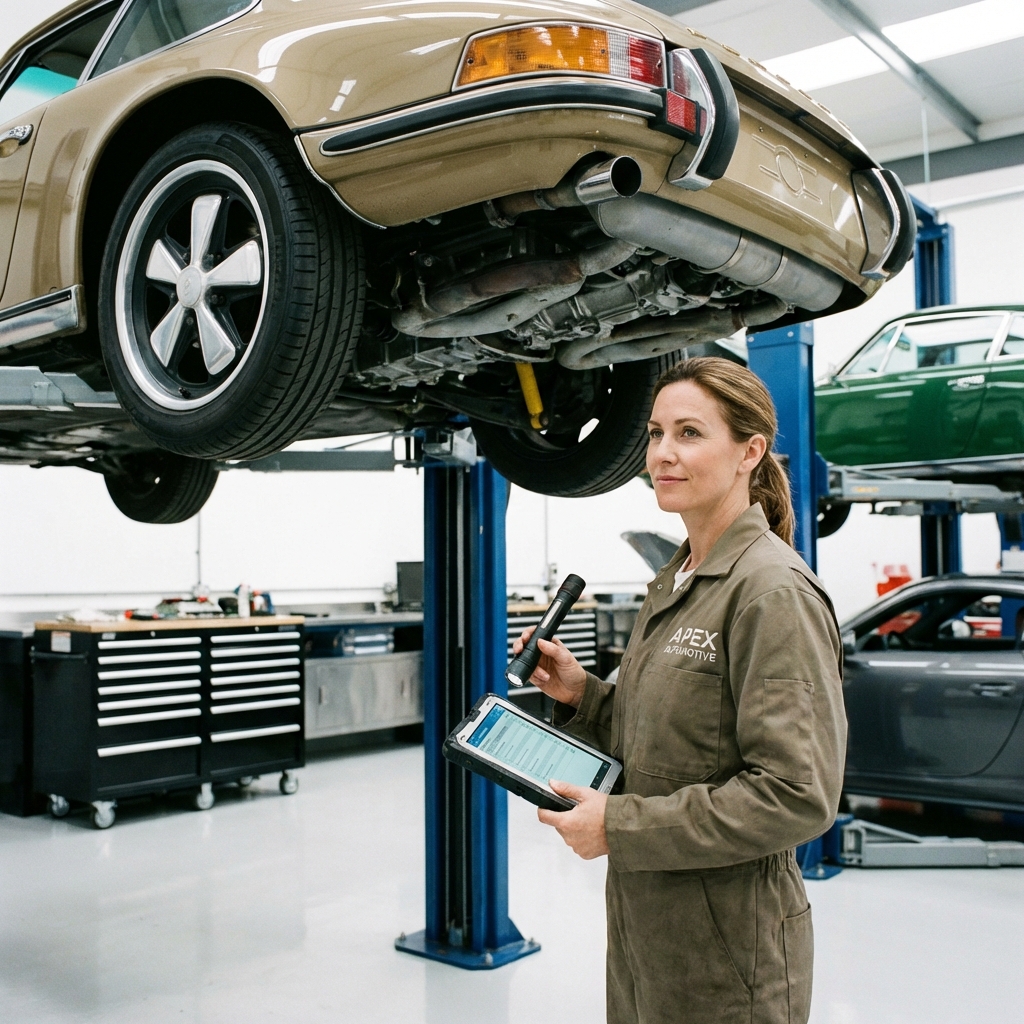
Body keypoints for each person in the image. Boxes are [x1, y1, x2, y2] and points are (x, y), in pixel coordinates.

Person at [512, 357, 846, 1024]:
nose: (662, 454)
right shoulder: (677, 578)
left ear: (750, 451)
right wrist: (585, 695)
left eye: (689, 433)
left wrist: (620, 824)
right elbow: (665, 741)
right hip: (648, 933)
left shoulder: (771, 591)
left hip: (728, 953)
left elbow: (796, 795)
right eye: (656, 432)